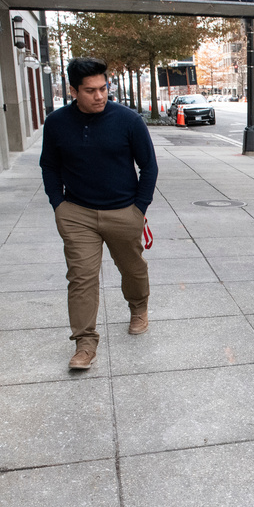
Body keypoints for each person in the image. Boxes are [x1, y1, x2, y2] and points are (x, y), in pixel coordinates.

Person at [40, 57, 158, 370]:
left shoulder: (128, 120)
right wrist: (58, 205)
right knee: (81, 278)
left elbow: (149, 166)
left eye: (103, 88)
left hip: (123, 212)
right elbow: (49, 165)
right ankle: (84, 344)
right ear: (73, 91)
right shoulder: (56, 123)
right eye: (90, 90)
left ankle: (138, 307)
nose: (99, 96)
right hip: (77, 213)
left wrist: (139, 209)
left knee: (132, 269)